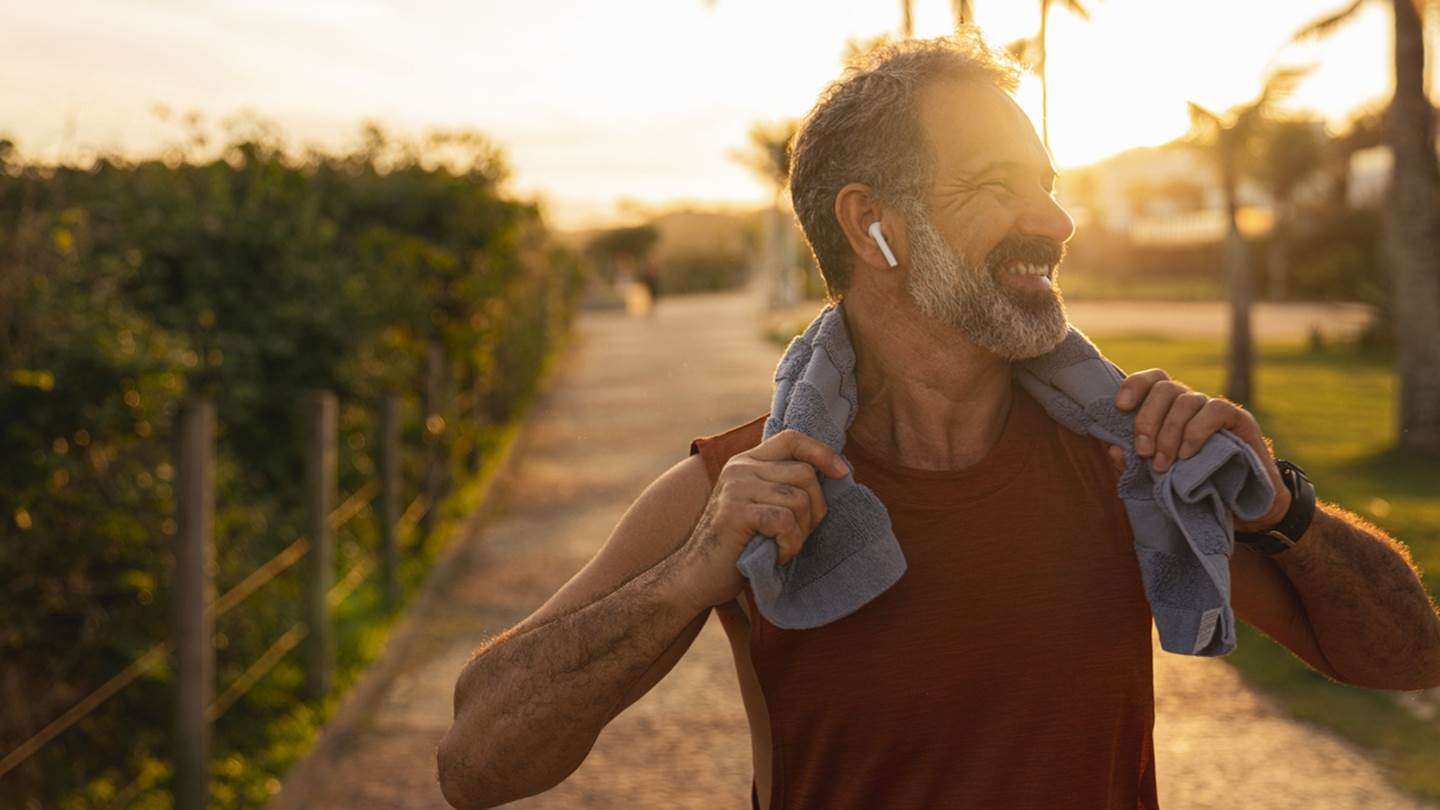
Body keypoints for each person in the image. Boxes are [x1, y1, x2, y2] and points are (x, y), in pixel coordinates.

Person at [437, 32, 1440, 810]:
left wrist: (1279, 507)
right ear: (873, 223)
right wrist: (686, 577)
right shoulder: (741, 488)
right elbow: (475, 762)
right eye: (1000, 186)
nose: (1056, 220)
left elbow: (1406, 656)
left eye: (1047, 185)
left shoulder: (1128, 459)